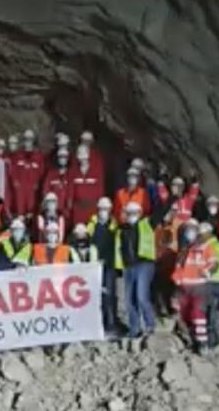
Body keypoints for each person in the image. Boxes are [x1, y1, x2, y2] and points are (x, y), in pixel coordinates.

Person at [170, 219, 216, 354]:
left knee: (197, 314)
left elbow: (214, 263)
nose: (189, 231)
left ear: (197, 231)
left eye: (192, 228)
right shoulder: (183, 251)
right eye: (187, 228)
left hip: (199, 287)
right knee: (185, 316)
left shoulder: (205, 247)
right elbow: (178, 271)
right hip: (184, 289)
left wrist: (208, 271)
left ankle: (203, 343)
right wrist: (175, 291)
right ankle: (194, 342)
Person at [115, 201, 158, 338]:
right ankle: (134, 329)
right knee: (129, 300)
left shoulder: (147, 224)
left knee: (141, 296)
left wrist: (171, 196)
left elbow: (161, 211)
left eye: (135, 213)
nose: (132, 215)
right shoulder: (121, 230)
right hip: (128, 266)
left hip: (144, 263)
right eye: (129, 213)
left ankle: (149, 325)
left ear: (140, 213)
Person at [87, 197, 118, 335]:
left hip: (110, 265)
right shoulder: (92, 224)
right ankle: (95, 324)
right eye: (101, 209)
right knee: (95, 295)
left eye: (106, 209)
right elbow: (87, 241)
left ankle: (110, 324)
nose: (103, 212)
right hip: (94, 265)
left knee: (109, 295)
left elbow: (116, 245)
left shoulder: (114, 225)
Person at [198, 222, 219, 347]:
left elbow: (217, 263)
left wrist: (208, 272)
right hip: (205, 283)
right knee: (207, 312)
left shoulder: (217, 246)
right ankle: (209, 339)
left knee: (210, 313)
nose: (200, 236)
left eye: (202, 234)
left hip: (213, 283)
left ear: (208, 233)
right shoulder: (203, 246)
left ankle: (212, 341)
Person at [9, 129, 45, 217]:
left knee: (31, 212)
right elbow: (12, 170)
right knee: (20, 212)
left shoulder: (38, 156)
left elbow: (41, 172)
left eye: (30, 139)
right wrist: (15, 181)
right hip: (20, 189)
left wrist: (38, 183)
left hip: (33, 189)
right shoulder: (17, 155)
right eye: (26, 139)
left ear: (33, 140)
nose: (28, 142)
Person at [67, 144, 104, 224]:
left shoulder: (96, 171)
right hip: (77, 209)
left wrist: (100, 207)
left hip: (92, 208)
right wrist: (70, 208)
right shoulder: (73, 171)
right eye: (79, 154)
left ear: (88, 154)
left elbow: (100, 189)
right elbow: (70, 190)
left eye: (84, 153)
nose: (82, 157)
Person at [40, 147, 73, 215]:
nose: (62, 159)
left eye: (65, 157)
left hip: (65, 209)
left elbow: (71, 192)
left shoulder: (70, 174)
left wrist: (68, 208)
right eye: (60, 157)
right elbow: (45, 190)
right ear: (57, 158)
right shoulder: (51, 174)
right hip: (51, 208)